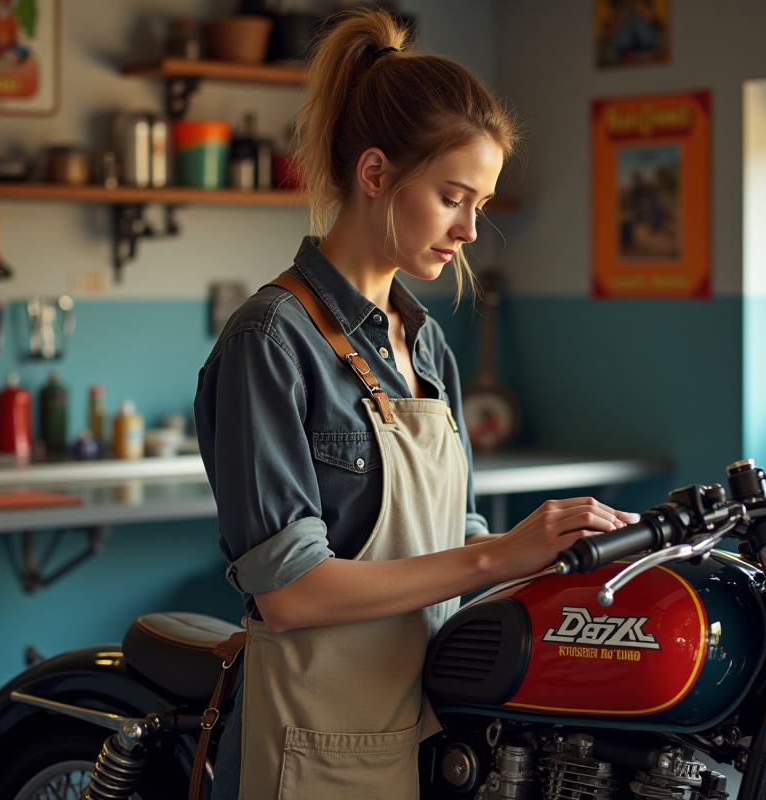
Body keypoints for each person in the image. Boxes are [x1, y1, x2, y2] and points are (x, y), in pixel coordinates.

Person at [193, 8, 640, 799]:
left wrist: (565, 563)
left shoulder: (424, 342)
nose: (471, 229)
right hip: (309, 749)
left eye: (482, 204)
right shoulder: (271, 340)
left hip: (424, 735)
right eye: (453, 198)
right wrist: (493, 555)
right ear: (375, 175)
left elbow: (454, 536)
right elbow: (289, 593)